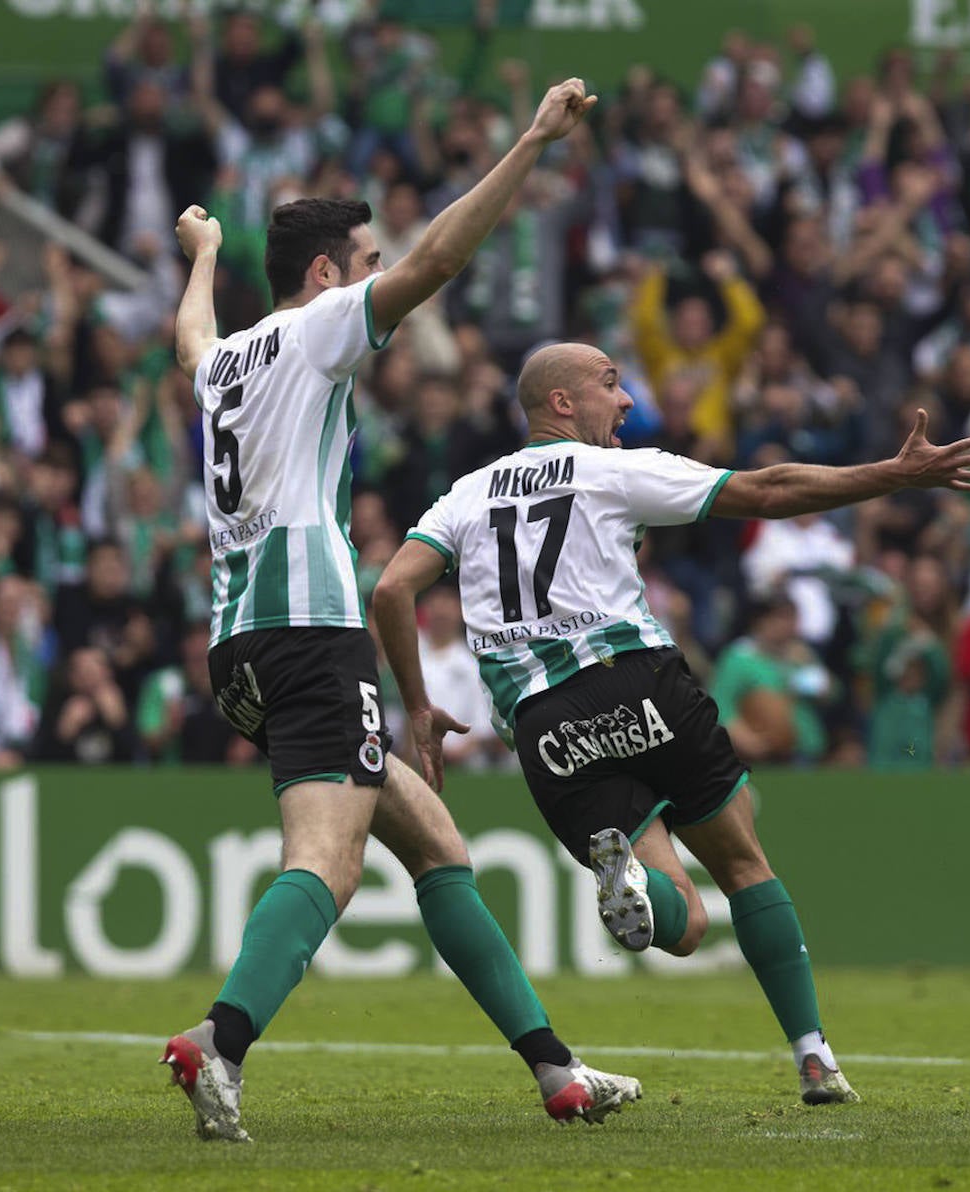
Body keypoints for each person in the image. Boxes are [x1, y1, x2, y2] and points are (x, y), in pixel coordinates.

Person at [163, 79, 639, 1143]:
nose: (379, 280)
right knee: (325, 864)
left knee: (437, 846)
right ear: (327, 276)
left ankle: (556, 1070)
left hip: (239, 642)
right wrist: (530, 140)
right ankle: (218, 1045)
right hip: (309, 631)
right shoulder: (320, 329)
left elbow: (190, 339)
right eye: (364, 264)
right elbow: (438, 261)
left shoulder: (226, 365)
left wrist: (202, 254)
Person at [372, 341, 970, 1106]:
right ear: (562, 403)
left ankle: (631, 879)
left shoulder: (463, 497)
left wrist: (418, 706)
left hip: (542, 723)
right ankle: (813, 1057)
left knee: (686, 923)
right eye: (610, 383)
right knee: (743, 867)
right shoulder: (611, 471)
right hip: (633, 678)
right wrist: (895, 477)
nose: (628, 399)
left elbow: (393, 590)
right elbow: (767, 490)